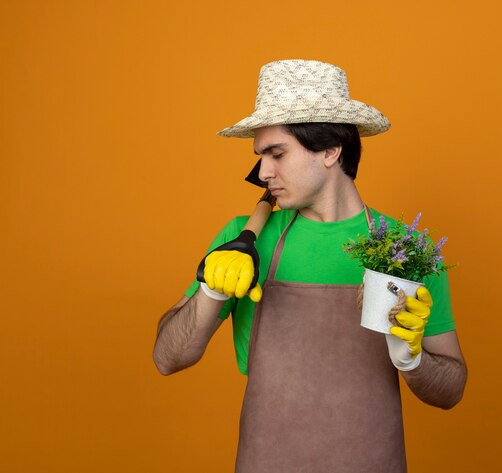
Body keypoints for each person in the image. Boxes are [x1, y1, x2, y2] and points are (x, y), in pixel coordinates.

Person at [153, 59, 467, 473]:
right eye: (260, 156)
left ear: (331, 151)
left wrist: (412, 360)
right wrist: (211, 290)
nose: (264, 172)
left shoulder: (405, 251)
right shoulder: (241, 241)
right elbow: (168, 358)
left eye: (277, 153)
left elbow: (450, 390)